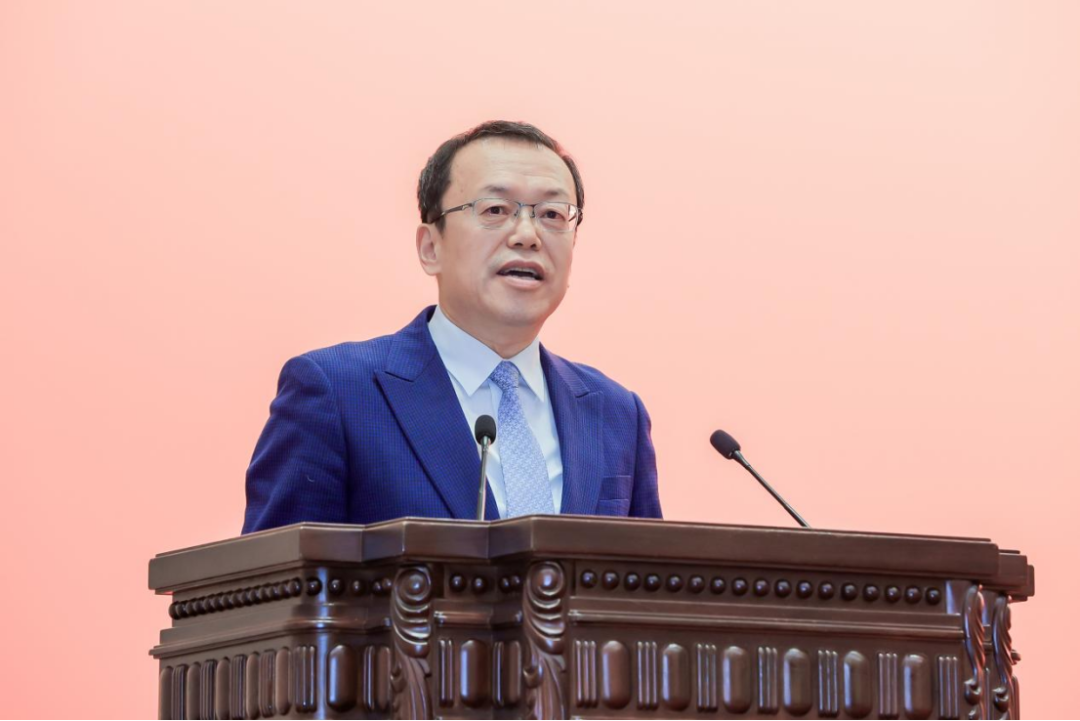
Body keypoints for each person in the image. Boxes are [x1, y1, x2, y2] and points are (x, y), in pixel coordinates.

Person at [242, 120, 662, 533]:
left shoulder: (617, 414)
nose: (527, 235)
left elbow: (647, 576)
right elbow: (279, 573)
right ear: (430, 247)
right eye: (495, 210)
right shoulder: (337, 392)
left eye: (552, 214)